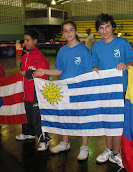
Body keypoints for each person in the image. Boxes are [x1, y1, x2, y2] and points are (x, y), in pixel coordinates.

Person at [33, 20, 93, 160]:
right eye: (65, 31)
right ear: (62, 34)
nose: (68, 33)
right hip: (65, 90)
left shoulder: (84, 50)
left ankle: (84, 147)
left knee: (83, 118)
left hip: (80, 91)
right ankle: (65, 142)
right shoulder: (62, 51)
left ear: (76, 32)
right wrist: (44, 71)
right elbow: (59, 70)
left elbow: (88, 73)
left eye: (71, 30)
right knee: (64, 116)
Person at [92, 13, 133, 168]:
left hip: (120, 89)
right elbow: (94, 63)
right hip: (104, 89)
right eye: (101, 28)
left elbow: (132, 60)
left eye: (107, 27)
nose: (105, 31)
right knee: (107, 121)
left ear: (113, 27)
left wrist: (126, 64)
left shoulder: (123, 43)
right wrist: (95, 67)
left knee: (118, 122)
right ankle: (109, 149)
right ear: (98, 30)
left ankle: (117, 153)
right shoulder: (96, 46)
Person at [15, 29, 51, 151]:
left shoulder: (39, 56)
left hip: (36, 94)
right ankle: (28, 133)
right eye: (24, 40)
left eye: (28, 40)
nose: (25, 43)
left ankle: (44, 139)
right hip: (26, 92)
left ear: (35, 41)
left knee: (37, 118)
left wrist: (28, 73)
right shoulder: (24, 56)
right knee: (27, 114)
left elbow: (44, 74)